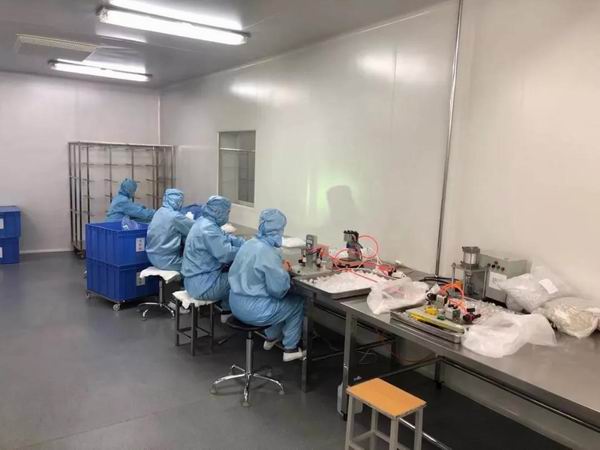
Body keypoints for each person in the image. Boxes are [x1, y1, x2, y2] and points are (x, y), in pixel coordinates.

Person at [228, 209, 305, 362]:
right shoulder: (268, 252)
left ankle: (271, 337)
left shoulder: (249, 243)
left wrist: (277, 268)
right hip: (253, 311)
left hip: (235, 304)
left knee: (274, 302)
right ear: (278, 230)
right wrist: (283, 271)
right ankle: (290, 349)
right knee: (296, 303)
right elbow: (278, 290)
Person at [181, 196, 244, 318]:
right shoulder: (208, 229)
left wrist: (242, 242)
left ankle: (226, 308)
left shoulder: (203, 222)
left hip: (193, 280)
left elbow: (224, 237)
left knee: (230, 271)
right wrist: (246, 250)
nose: (228, 215)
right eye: (227, 212)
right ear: (218, 212)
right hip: (203, 286)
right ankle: (228, 312)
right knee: (241, 278)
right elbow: (226, 254)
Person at [146, 189, 194, 272]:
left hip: (151, 256)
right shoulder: (175, 216)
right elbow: (196, 228)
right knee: (198, 265)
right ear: (179, 202)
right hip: (167, 261)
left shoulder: (159, 212)